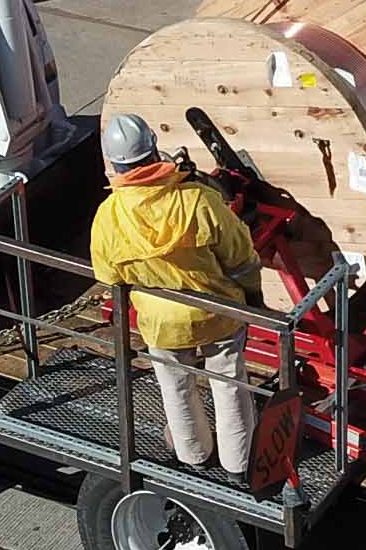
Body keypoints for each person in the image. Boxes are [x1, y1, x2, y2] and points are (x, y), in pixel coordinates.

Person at [88, 112, 263, 475]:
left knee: (176, 386)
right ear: (154, 151)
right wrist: (253, 298)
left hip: (161, 322)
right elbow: (242, 257)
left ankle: (194, 455)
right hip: (217, 311)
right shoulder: (197, 201)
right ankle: (238, 464)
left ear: (114, 164)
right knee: (229, 383)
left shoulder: (108, 217)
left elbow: (108, 275)